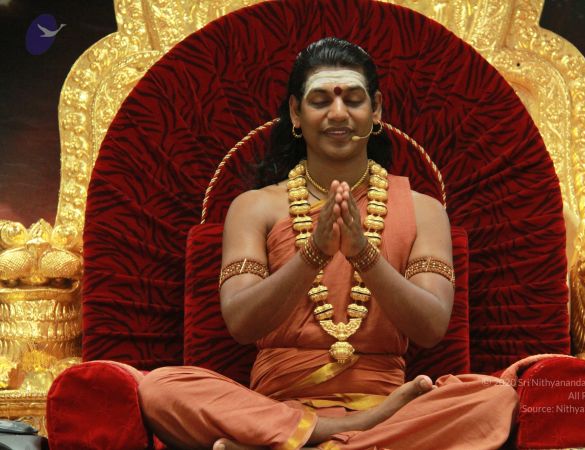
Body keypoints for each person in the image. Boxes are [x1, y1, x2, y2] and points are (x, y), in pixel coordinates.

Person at [138, 37, 518, 450]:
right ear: (295, 113)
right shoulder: (255, 206)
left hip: (386, 404)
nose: (338, 113)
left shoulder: (423, 210)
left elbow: (431, 327)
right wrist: (312, 255)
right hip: (279, 406)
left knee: (494, 397)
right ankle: (346, 434)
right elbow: (242, 323)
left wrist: (364, 255)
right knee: (162, 388)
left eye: (353, 99)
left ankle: (288, 444)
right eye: (320, 100)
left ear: (376, 109)